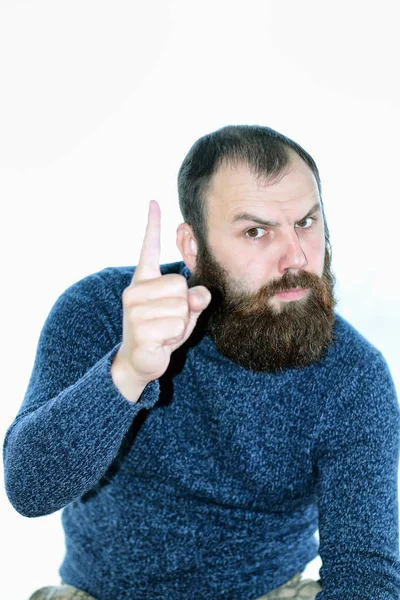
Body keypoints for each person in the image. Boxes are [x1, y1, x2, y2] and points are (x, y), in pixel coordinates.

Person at [3, 125, 400, 600]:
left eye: (306, 222)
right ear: (192, 247)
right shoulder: (104, 310)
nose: (295, 256)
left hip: (272, 592)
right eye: (256, 232)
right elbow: (29, 490)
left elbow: (365, 572)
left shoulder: (354, 377)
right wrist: (128, 371)